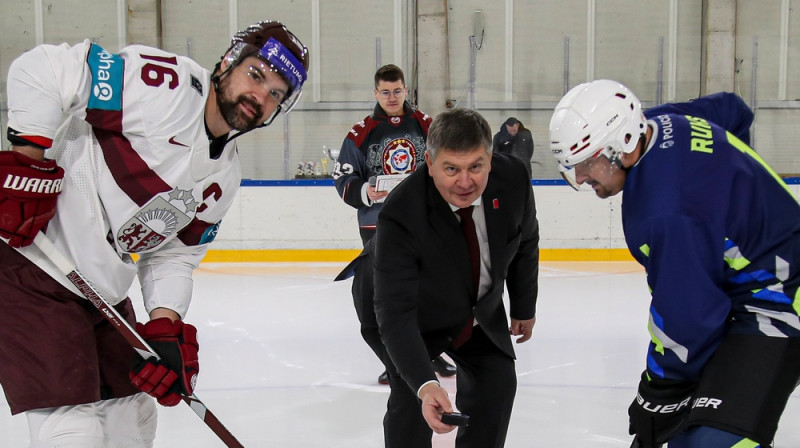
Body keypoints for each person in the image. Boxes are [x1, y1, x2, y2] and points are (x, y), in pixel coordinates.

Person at [0, 20, 308, 447]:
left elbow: (175, 254)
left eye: (276, 93)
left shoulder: (225, 177)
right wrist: (27, 162)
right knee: (73, 432)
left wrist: (165, 321)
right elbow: (42, 69)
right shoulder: (163, 85)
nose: (260, 96)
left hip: (102, 290)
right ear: (227, 63)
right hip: (34, 263)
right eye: (256, 75)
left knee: (135, 419)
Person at [549, 79, 800, 448]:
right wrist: (730, 193)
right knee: (685, 429)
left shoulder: (664, 213)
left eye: (589, 163)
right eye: (573, 168)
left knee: (709, 442)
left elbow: (687, 319)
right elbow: (733, 109)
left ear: (626, 146)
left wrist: (658, 389)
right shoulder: (663, 122)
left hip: (781, 299)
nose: (583, 178)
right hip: (741, 292)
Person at [369, 107, 540, 447]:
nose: (465, 181)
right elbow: (395, 313)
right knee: (411, 404)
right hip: (414, 317)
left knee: (498, 384)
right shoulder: (401, 214)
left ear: (490, 158)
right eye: (451, 169)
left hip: (476, 311)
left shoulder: (513, 179)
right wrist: (425, 384)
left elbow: (525, 239)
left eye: (476, 166)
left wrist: (523, 306)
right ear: (430, 165)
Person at [333, 63, 456, 384]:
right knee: (388, 295)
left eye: (397, 91)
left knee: (427, 292)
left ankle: (431, 353)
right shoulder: (360, 133)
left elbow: (448, 163)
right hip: (378, 226)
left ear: (406, 91)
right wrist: (366, 191)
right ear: (376, 93)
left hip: (424, 221)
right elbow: (343, 176)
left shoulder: (427, 125)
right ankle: (396, 359)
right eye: (385, 92)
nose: (391, 97)